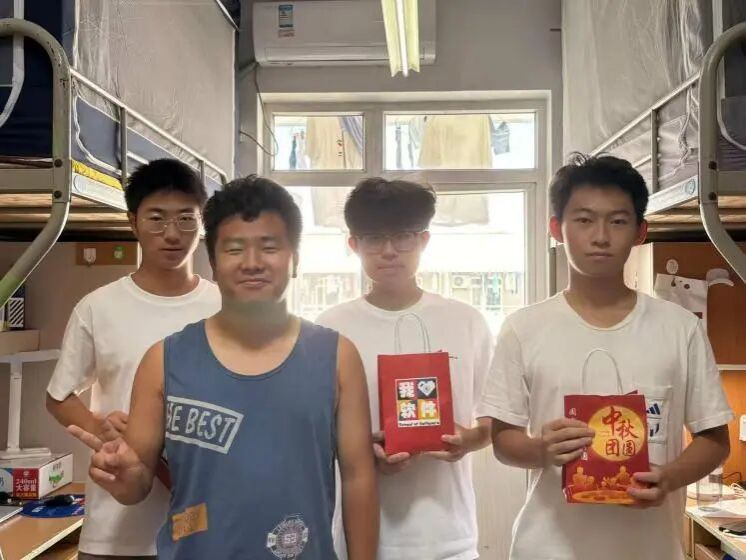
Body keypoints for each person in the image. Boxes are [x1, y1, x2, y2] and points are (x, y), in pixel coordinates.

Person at [69, 176, 379, 559]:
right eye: (234, 249)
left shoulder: (337, 357)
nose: (252, 263)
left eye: (269, 247)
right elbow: (137, 481)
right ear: (213, 264)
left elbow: (358, 478)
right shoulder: (163, 360)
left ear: (295, 259)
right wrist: (123, 477)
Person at [477, 154, 732, 560]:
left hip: (649, 550)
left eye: (617, 221)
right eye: (584, 220)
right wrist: (541, 450)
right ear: (557, 229)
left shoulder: (680, 328)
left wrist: (669, 477)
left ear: (640, 232)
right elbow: (503, 441)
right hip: (547, 549)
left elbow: (714, 440)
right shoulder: (523, 328)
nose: (600, 236)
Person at [46, 158, 220, 560]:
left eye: (186, 219)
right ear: (133, 222)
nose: (172, 234)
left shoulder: (224, 306)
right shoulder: (99, 307)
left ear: (202, 224)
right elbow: (58, 396)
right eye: (156, 219)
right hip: (116, 530)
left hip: (209, 526)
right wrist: (103, 431)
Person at [317, 177, 492, 560]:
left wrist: (468, 439)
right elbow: (316, 431)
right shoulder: (329, 328)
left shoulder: (466, 322)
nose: (389, 251)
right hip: (362, 540)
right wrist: (364, 452)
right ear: (353, 245)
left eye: (403, 237)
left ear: (424, 240)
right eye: (373, 238)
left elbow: (494, 421)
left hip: (450, 537)